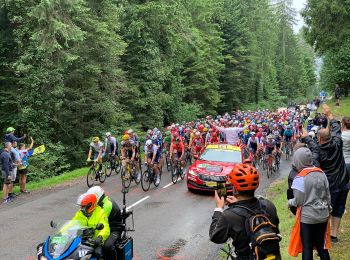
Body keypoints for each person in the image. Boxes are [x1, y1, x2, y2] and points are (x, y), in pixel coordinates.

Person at [209, 163, 281, 259]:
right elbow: (275, 229)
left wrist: (219, 208)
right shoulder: (268, 205)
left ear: (235, 189)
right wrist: (238, 205)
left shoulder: (229, 215)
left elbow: (215, 237)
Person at [303, 104, 349, 243]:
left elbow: (313, 146)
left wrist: (306, 137)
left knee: (327, 210)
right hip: (343, 182)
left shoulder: (318, 151)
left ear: (319, 139)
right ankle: (334, 235)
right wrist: (329, 114)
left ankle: (327, 236)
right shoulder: (337, 142)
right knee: (339, 209)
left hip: (329, 185)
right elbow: (335, 127)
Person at [288, 147, 331, 260]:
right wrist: (329, 209)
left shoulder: (300, 177)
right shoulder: (321, 173)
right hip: (323, 214)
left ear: (298, 160)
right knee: (322, 246)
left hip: (308, 218)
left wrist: (289, 202)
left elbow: (298, 201)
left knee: (307, 247)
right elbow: (328, 195)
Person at [86, 186, 123, 260]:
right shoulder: (99, 203)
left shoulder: (107, 205)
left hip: (114, 229)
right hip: (103, 228)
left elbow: (98, 220)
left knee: (107, 246)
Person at [69, 193, 110, 259]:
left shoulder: (100, 213)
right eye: (81, 206)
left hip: (95, 242)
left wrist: (100, 237)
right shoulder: (80, 214)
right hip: (82, 240)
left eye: (83, 206)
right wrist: (61, 232)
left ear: (90, 205)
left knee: (98, 254)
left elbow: (105, 228)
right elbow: (71, 224)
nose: (81, 208)